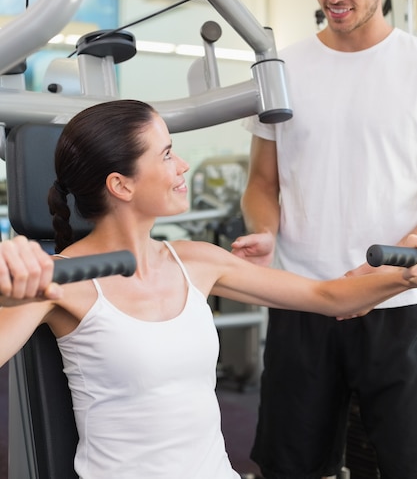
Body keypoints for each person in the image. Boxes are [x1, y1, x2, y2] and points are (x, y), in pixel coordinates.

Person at [0, 100, 417, 479]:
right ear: (121, 185)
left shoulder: (196, 260)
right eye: (165, 155)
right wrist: (9, 289)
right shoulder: (57, 280)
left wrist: (404, 275)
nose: (182, 166)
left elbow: (328, 298)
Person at [231, 0, 417, 479]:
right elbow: (262, 182)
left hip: (399, 301)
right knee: (292, 466)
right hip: (303, 299)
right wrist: (263, 231)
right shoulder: (282, 67)